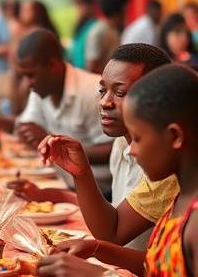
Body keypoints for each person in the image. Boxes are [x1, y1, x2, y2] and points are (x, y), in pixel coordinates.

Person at [38, 65, 198, 277]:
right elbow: (168, 269)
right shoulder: (182, 195)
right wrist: (100, 250)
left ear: (175, 137)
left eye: (137, 138)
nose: (132, 149)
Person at [11, 43, 178, 249]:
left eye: (120, 93)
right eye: (102, 90)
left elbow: (113, 232)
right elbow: (116, 212)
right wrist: (57, 193)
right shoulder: (120, 143)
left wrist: (82, 175)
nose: (104, 102)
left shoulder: (166, 165)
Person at [16, 29, 112, 164]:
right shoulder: (40, 89)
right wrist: (25, 131)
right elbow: (27, 125)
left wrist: (52, 144)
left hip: (97, 183)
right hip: (62, 178)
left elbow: (112, 149)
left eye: (31, 75)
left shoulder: (94, 92)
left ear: (52, 65)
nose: (26, 83)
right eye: (24, 76)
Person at [9, 0, 59, 115]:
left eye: (26, 10)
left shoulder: (37, 32)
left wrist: (25, 81)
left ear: (37, 12)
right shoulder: (21, 29)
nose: (22, 13)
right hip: (20, 75)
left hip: (26, 80)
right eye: (22, 9)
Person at [86, 0, 129, 74]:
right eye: (125, 11)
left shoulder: (114, 30)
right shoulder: (98, 32)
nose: (126, 14)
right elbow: (92, 66)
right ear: (118, 12)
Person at [69, 0, 96, 69]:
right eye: (77, 5)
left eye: (81, 4)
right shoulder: (79, 26)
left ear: (91, 6)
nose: (79, 8)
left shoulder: (95, 26)